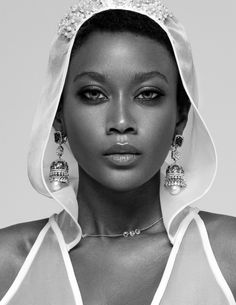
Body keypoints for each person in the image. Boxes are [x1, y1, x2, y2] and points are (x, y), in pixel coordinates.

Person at [0, 0, 236, 304]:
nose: (121, 122)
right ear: (58, 114)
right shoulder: (9, 265)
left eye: (148, 95)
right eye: (94, 94)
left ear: (181, 116)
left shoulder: (227, 257)